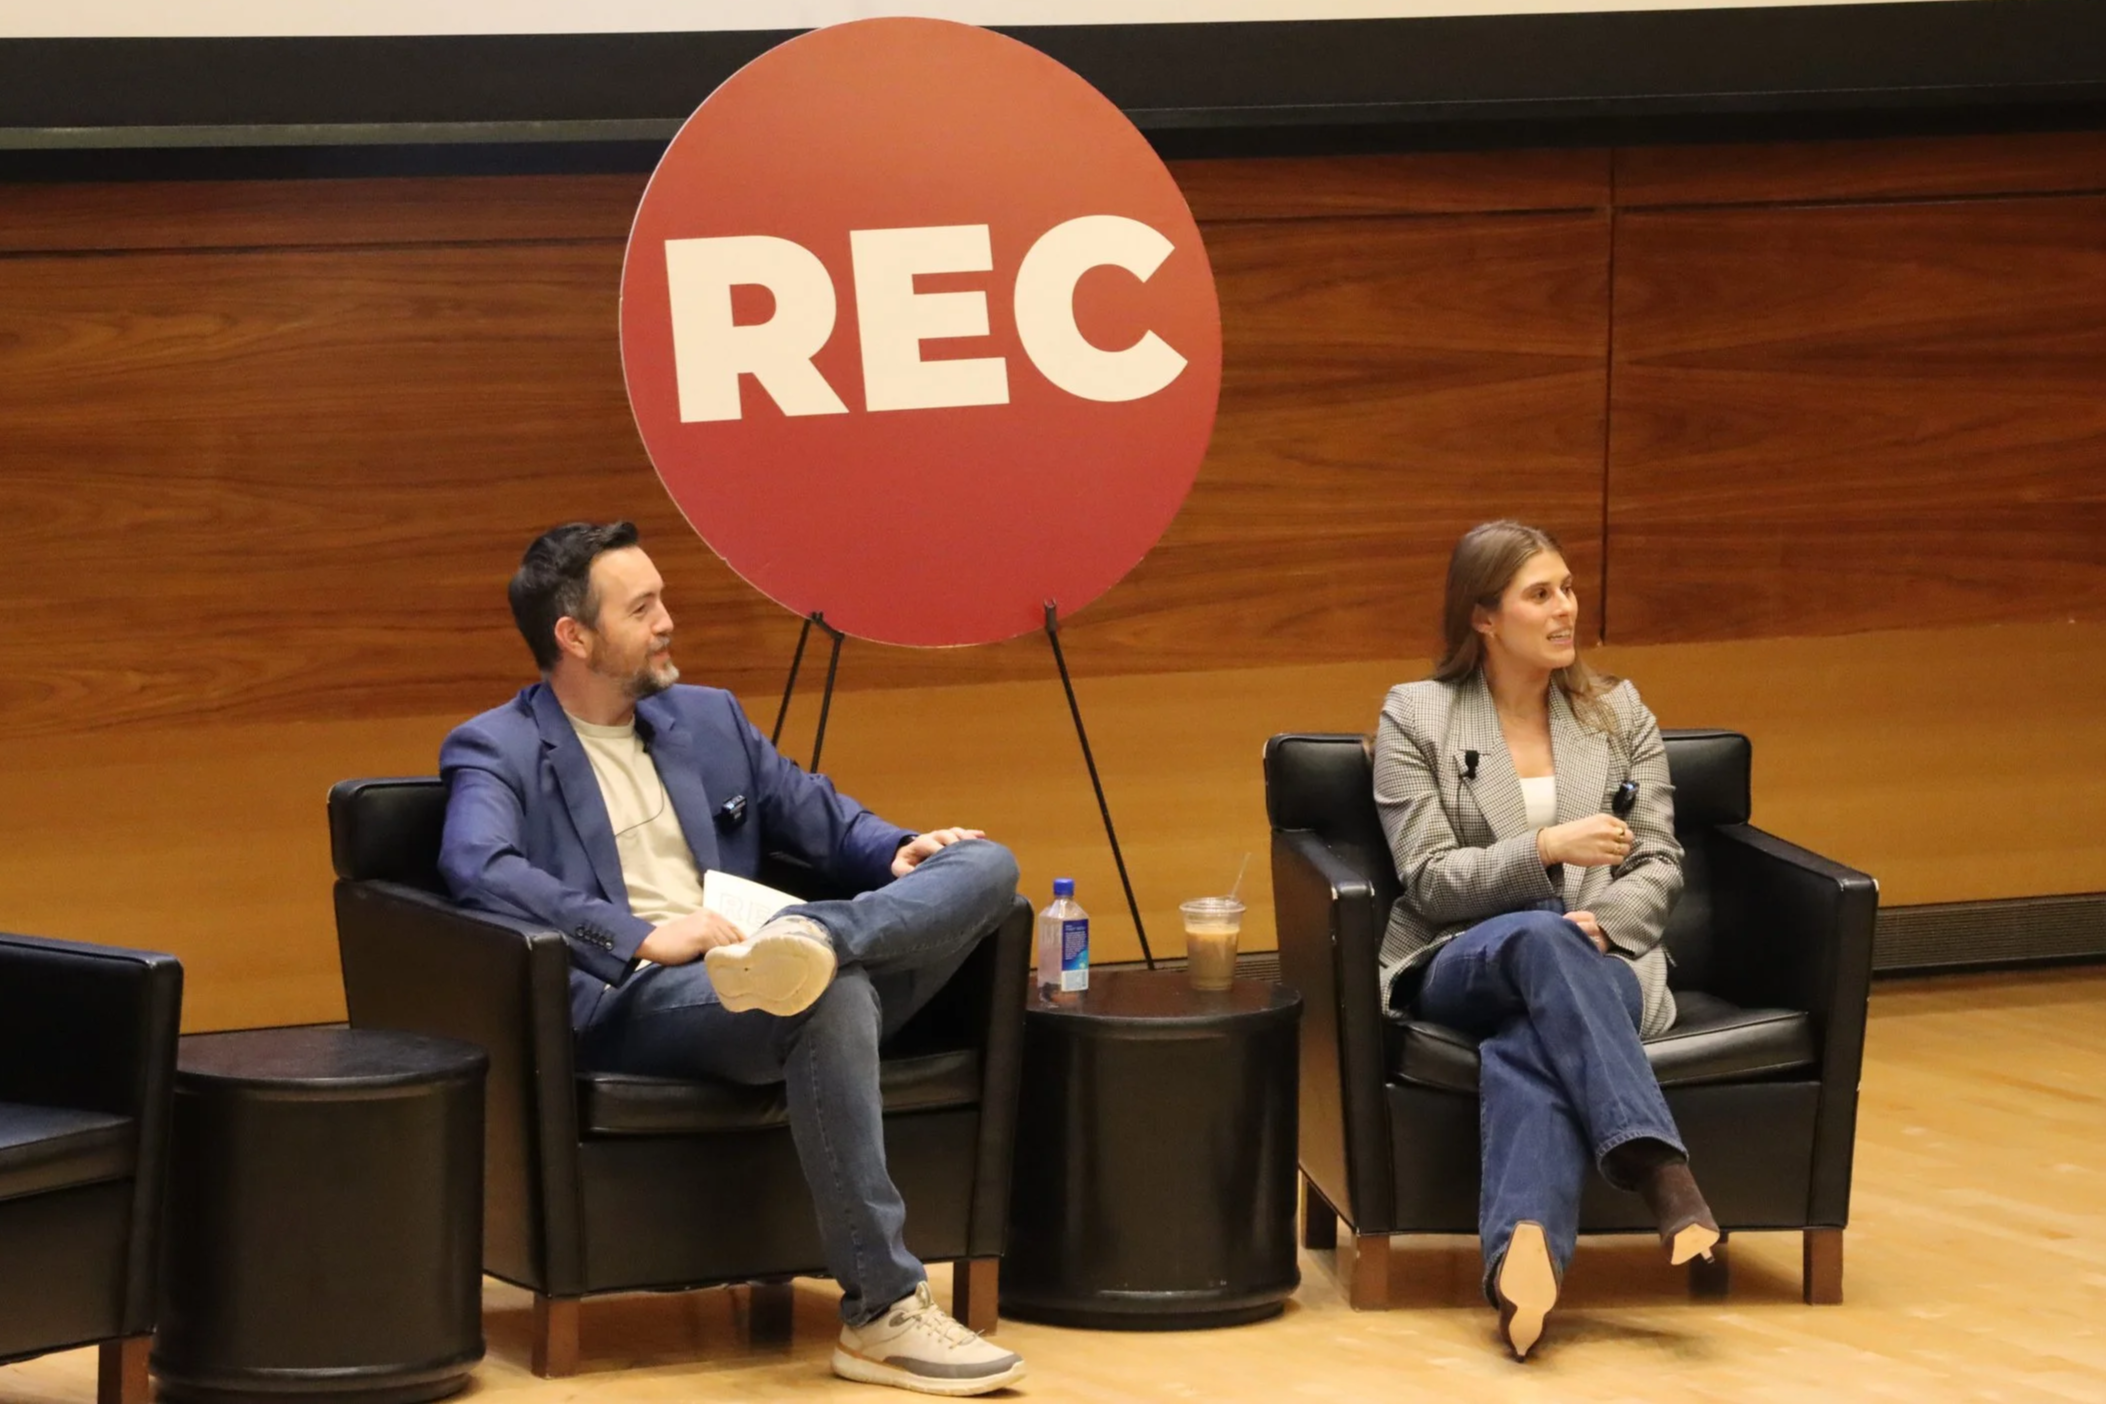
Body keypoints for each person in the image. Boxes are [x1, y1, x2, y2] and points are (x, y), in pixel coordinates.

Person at [437, 521, 1026, 1396]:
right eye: (642, 608)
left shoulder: (708, 720)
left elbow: (825, 818)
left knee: (987, 867)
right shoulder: (498, 746)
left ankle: (820, 939)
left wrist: (900, 850)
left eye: (663, 601)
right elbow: (476, 865)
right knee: (826, 995)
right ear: (575, 636)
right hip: (644, 999)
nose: (667, 621)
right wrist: (639, 935)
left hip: (771, 960)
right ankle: (883, 1312)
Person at [1372, 520, 1718, 1361]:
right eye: (1540, 594)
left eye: (1567, 588)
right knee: (1535, 936)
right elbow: (1430, 879)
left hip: (1605, 956)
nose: (1566, 608)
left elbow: (1660, 857)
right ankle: (1658, 1166)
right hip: (1462, 954)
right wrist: (1547, 849)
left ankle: (1522, 1261)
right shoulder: (1416, 715)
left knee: (1532, 1029)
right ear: (1483, 616)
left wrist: (1609, 922)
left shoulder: (1618, 713)